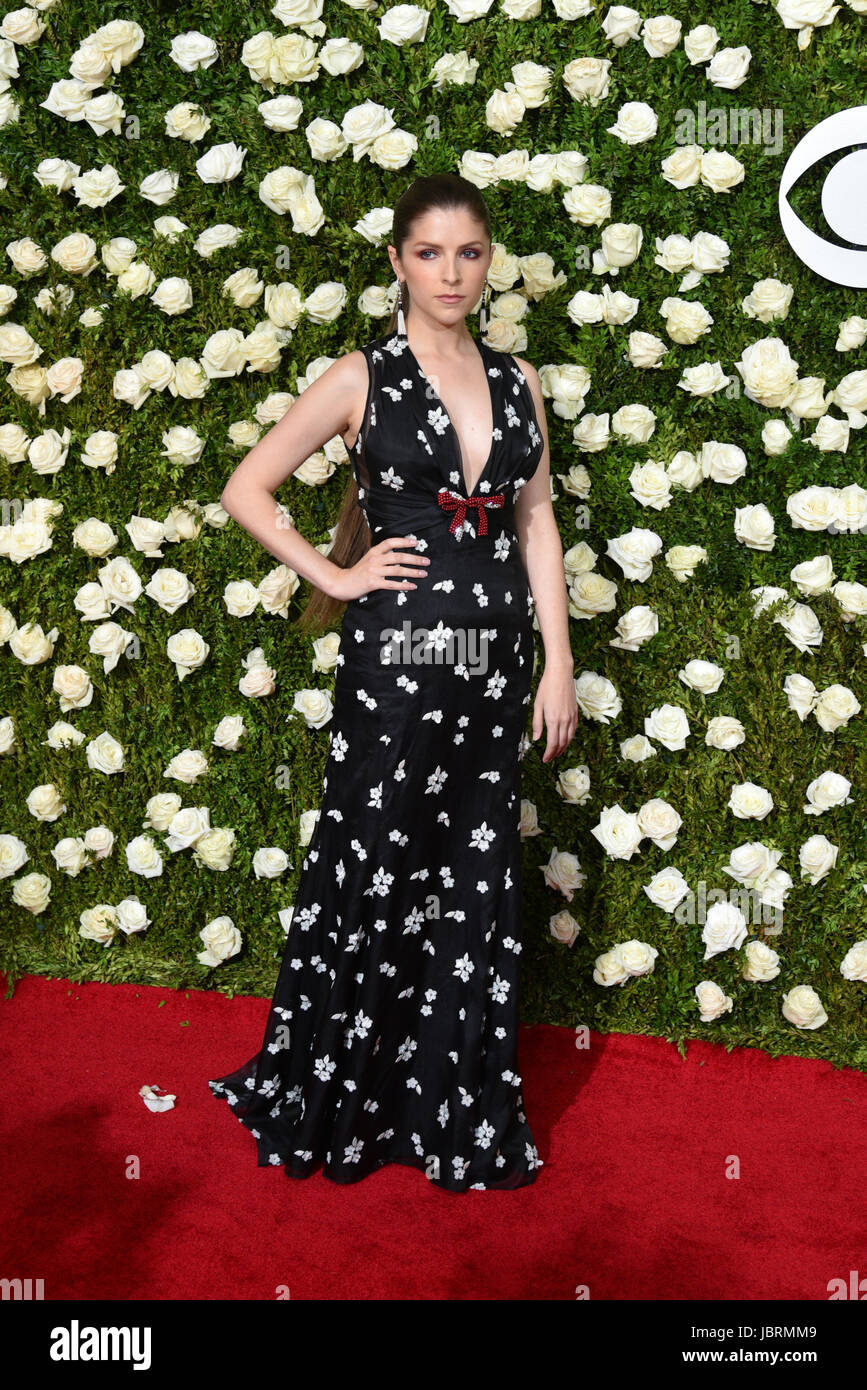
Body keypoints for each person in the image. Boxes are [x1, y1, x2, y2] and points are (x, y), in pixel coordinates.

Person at [208, 172, 578, 1192]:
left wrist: (560, 657)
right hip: (398, 668)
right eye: (430, 254)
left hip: (495, 668)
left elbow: (535, 520)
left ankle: (443, 1104)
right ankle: (341, 1098)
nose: (451, 273)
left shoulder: (519, 382)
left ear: (488, 260)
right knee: (373, 864)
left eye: (468, 253)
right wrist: (335, 573)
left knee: (471, 879)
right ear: (397, 263)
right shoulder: (361, 374)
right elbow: (249, 485)